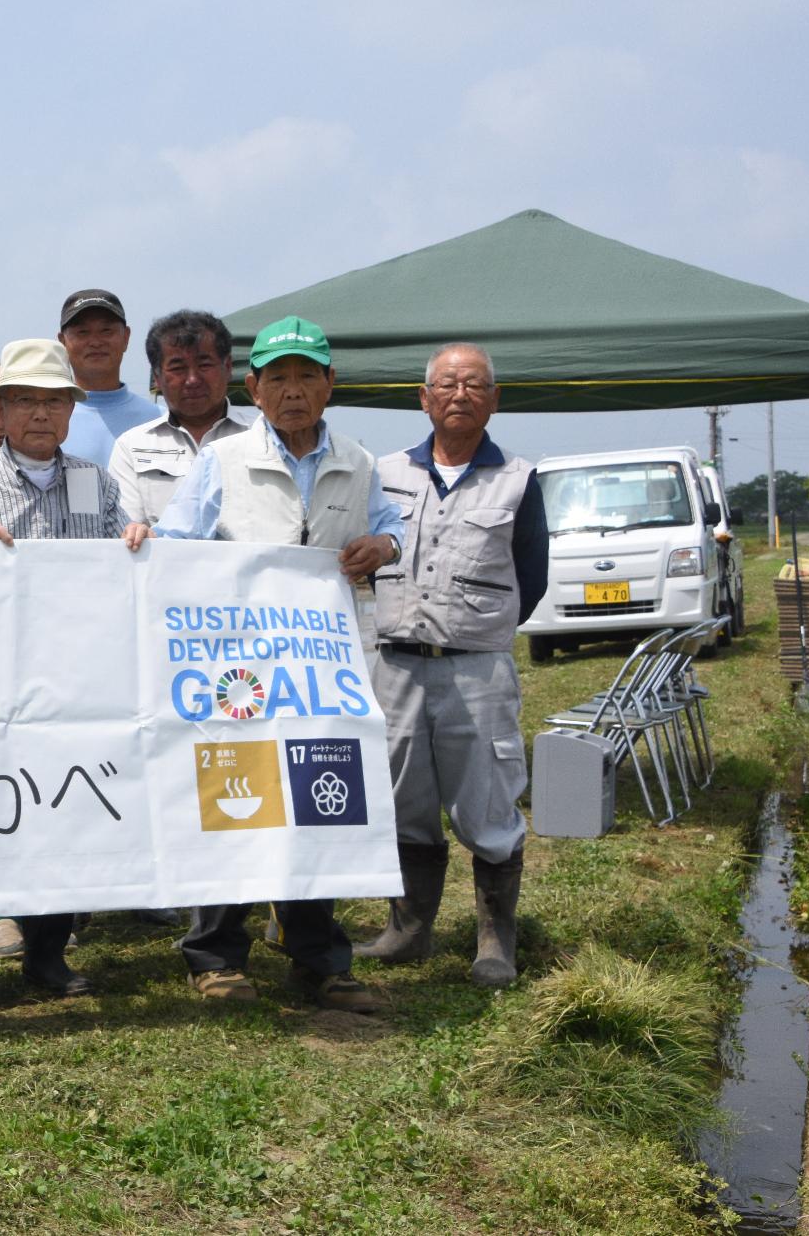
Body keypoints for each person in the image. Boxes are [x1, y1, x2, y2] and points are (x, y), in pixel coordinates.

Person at [149, 315, 402, 1014]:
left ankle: (320, 959)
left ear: (330, 385)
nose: (293, 391)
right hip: (237, 675)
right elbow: (176, 542)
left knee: (320, 803)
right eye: (278, 378)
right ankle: (215, 956)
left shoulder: (358, 459)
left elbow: (394, 528)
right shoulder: (222, 463)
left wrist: (383, 545)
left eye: (306, 376)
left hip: (321, 671)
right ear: (253, 389)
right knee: (230, 801)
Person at [0, 337, 150, 1008]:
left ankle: (49, 956)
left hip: (74, 679)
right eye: (25, 399)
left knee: (62, 811)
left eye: (55, 401)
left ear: (71, 408)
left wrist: (138, 543)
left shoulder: (97, 480)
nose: (41, 414)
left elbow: (124, 555)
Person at [357, 343, 549, 988]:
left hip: (477, 669)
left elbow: (533, 578)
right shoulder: (382, 473)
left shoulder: (519, 479)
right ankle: (408, 931)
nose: (459, 394)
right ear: (424, 397)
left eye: (474, 385)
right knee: (402, 796)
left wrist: (474, 627)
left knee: (488, 800)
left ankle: (496, 940)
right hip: (395, 666)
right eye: (447, 383)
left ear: (494, 400)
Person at [109, 311, 249, 526]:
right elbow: (126, 529)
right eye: (178, 368)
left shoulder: (262, 436)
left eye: (204, 365)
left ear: (228, 367)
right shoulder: (132, 447)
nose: (192, 379)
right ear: (157, 378)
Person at [54, 288, 161, 467]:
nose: (95, 342)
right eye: (82, 332)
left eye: (106, 331)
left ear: (126, 337)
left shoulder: (160, 420)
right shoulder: (46, 422)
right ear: (62, 342)